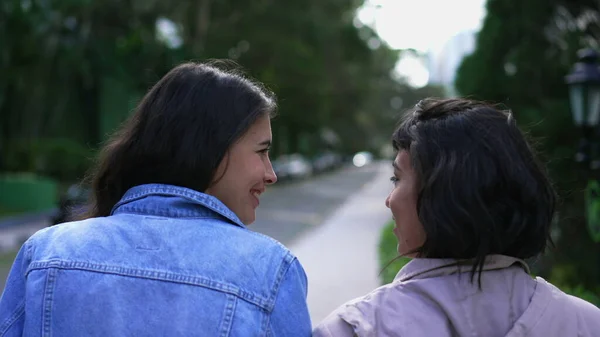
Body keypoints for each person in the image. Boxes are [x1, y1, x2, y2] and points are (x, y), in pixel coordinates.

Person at [0, 62, 312, 336]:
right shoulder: (270, 271)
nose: (271, 174)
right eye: (261, 151)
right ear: (208, 149)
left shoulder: (45, 253)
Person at [313, 98, 600, 337]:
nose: (389, 199)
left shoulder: (357, 328)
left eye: (397, 178)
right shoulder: (586, 323)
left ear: (447, 194)